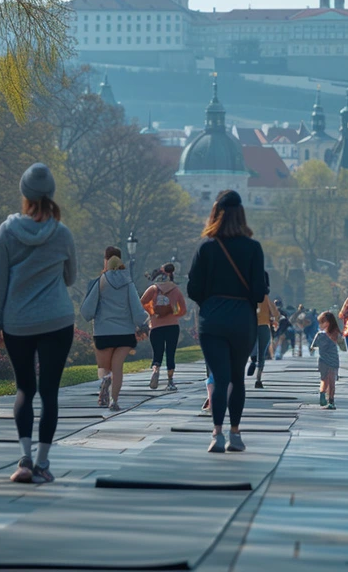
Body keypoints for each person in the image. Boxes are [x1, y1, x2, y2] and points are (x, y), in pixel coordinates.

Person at [0, 162, 77, 484]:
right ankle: (43, 463)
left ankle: (23, 458)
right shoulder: (62, 233)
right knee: (49, 392)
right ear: (51, 195)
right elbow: (71, 276)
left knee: (25, 387)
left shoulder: (8, 231)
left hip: (18, 321)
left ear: (24, 194)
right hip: (56, 319)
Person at [186, 189, 267, 454]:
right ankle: (235, 433)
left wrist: (209, 302)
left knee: (220, 379)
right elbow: (258, 292)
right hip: (242, 318)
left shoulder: (206, 246)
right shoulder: (252, 247)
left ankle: (216, 433)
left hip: (213, 318)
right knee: (237, 378)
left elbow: (193, 289)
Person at [81, 247, 148, 412]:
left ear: (106, 261)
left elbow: (88, 310)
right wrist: (143, 323)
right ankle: (114, 401)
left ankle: (105, 379)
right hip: (125, 333)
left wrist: (89, 315)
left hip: (103, 332)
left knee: (104, 367)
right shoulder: (128, 283)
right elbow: (137, 309)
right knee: (117, 366)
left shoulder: (100, 282)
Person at [142, 263, 187, 392]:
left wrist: (152, 312)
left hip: (156, 326)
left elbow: (142, 302)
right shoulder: (175, 290)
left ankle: (155, 370)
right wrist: (174, 315)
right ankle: (170, 381)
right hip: (172, 326)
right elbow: (183, 310)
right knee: (170, 353)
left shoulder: (153, 289)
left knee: (157, 353)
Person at [246, 272, 277, 389]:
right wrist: (272, 319)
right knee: (262, 354)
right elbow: (275, 313)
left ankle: (252, 360)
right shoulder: (266, 298)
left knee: (248, 348)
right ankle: (258, 379)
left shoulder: (247, 297)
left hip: (249, 326)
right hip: (263, 326)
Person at [312, 311, 342, 409]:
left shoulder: (323, 335)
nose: (320, 325)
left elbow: (312, 346)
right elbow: (343, 346)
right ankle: (324, 396)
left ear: (328, 322)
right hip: (327, 360)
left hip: (328, 361)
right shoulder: (333, 334)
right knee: (327, 380)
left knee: (329, 380)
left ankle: (329, 399)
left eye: (321, 322)